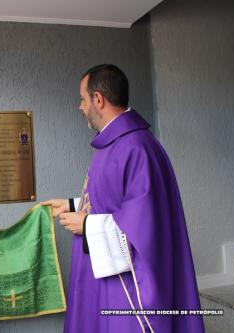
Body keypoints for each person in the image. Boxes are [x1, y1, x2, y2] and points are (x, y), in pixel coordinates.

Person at [41, 64, 204, 332]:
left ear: (98, 99)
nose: (80, 107)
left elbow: (145, 225)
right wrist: (74, 205)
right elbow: (117, 201)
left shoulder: (137, 148)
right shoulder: (116, 144)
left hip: (126, 290)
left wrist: (88, 226)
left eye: (82, 99)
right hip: (106, 281)